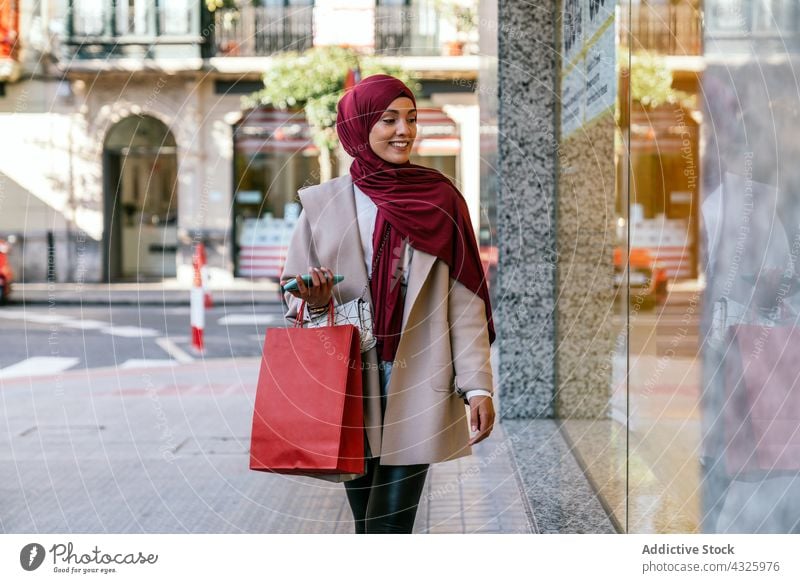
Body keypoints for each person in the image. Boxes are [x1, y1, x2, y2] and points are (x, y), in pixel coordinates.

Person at [279, 74, 496, 534]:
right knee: (367, 527)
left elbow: (466, 298)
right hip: (350, 382)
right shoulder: (322, 203)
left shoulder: (441, 200)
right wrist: (314, 298)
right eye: (389, 119)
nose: (404, 130)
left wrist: (478, 387)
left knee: (388, 528)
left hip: (419, 378)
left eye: (411, 119)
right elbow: (292, 292)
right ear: (359, 127)